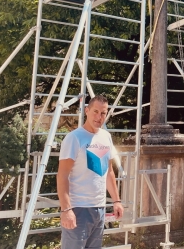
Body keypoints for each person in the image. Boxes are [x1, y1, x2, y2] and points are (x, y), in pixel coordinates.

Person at [57, 94, 124, 249]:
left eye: (103, 113)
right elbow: (62, 175)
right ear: (86, 111)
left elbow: (108, 172)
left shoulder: (106, 137)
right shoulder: (74, 138)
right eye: (95, 111)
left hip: (99, 209)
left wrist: (116, 201)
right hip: (78, 209)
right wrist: (66, 209)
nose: (99, 117)